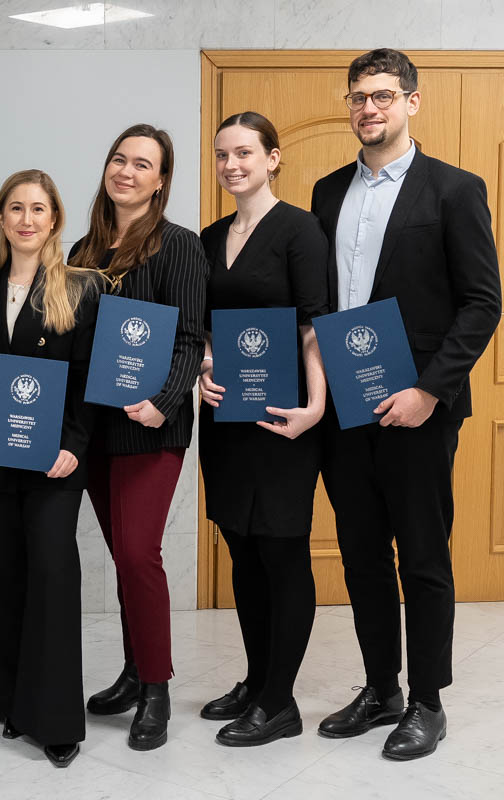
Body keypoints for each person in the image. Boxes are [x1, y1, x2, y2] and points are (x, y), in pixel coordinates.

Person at [311, 48, 501, 760]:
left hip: (417, 408)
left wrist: (430, 390)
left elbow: (484, 302)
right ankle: (380, 688)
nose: (370, 108)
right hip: (345, 408)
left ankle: (427, 701)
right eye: (359, 97)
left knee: (422, 557)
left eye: (384, 96)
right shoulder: (328, 192)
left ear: (412, 103)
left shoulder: (453, 190)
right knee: (360, 555)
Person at [69, 124, 207, 751]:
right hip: (96, 428)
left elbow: (188, 337)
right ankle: (131, 671)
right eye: (118, 159)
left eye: (142, 164)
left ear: (160, 180)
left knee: (137, 555)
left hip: (152, 426)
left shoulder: (177, 246)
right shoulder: (80, 249)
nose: (126, 171)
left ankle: (156, 687)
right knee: (123, 555)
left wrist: (163, 401)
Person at [0, 169, 100, 768]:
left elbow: (93, 379)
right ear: (0, 218)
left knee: (50, 576)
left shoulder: (82, 287)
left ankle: (57, 719)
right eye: (14, 208)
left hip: (54, 459)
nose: (25, 219)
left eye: (37, 209)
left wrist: (74, 443)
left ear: (54, 219)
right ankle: (7, 703)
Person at [196, 111, 328, 746]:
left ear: (273, 158)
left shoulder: (301, 230)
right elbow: (203, 330)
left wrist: (317, 406)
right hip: (225, 417)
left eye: (245, 153)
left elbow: (313, 325)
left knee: (280, 549)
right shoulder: (208, 235)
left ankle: (280, 701)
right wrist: (202, 368)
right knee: (241, 549)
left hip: (284, 419)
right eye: (222, 155)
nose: (232, 165)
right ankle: (255, 681)